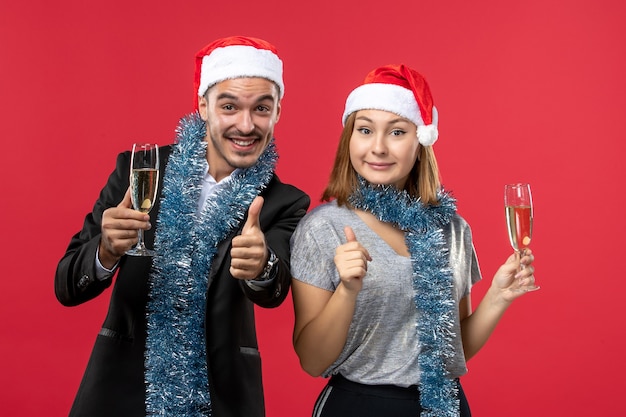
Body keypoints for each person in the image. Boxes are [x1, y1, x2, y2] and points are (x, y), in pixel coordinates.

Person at [55, 36, 310, 417]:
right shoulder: (140, 169)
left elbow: (273, 289)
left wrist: (261, 267)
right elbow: (66, 286)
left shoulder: (284, 201)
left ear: (278, 113)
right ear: (203, 106)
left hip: (222, 396)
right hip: (120, 391)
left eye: (261, 108)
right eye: (229, 106)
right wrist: (105, 251)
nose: (246, 124)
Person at [289, 64, 538, 417]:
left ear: (420, 143)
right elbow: (312, 361)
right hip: (360, 406)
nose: (377, 147)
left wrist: (498, 296)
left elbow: (452, 350)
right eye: (364, 130)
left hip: (444, 405)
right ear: (350, 140)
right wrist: (347, 290)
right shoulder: (323, 228)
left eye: (396, 132)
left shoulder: (451, 229)